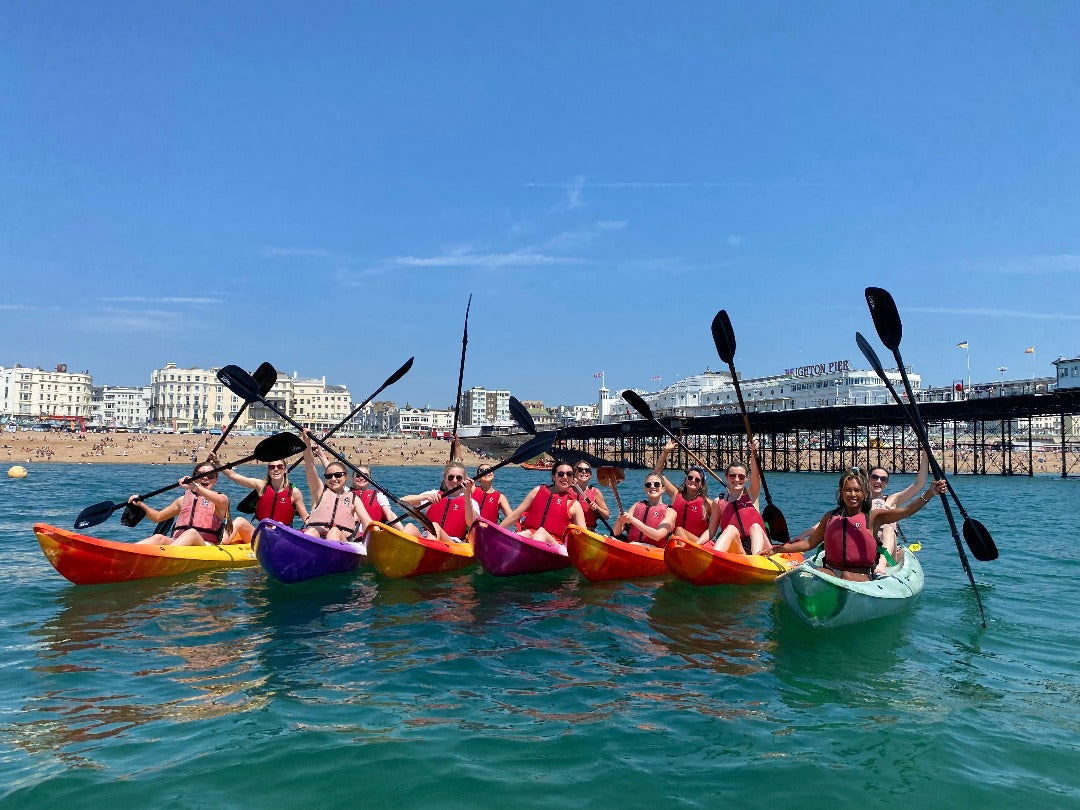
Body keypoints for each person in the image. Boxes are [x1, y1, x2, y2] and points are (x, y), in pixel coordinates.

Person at [769, 468, 946, 581]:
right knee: (807, 573)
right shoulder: (830, 516)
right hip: (832, 571)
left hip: (860, 576)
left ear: (864, 493)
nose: (852, 494)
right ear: (841, 492)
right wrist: (777, 549)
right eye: (848, 490)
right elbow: (809, 544)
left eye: (857, 490)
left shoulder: (873, 517)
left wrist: (929, 493)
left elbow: (906, 511)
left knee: (846, 575)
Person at [210, 452, 308, 542]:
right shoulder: (261, 486)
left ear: (285, 470)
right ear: (269, 471)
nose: (276, 469)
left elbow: (305, 517)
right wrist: (217, 462)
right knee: (240, 520)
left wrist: (319, 526)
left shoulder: (294, 492)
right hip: (260, 534)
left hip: (282, 535)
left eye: (279, 466)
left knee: (278, 526)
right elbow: (233, 476)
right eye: (272, 467)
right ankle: (221, 545)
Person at [130, 462, 233, 546]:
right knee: (158, 537)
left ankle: (166, 556)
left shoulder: (220, 499)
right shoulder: (182, 500)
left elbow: (223, 502)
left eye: (210, 476)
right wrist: (140, 505)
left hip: (205, 545)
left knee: (191, 533)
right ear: (194, 477)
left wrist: (194, 487)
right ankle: (129, 551)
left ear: (215, 480)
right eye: (200, 475)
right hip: (178, 542)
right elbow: (157, 517)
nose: (205, 478)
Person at [301, 429, 372, 542]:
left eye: (338, 475)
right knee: (311, 531)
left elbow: (368, 522)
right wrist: (306, 442)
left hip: (340, 542)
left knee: (333, 532)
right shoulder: (319, 490)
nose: (333, 479)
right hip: (317, 539)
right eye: (329, 476)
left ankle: (330, 557)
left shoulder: (354, 498)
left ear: (346, 477)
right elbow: (310, 466)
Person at [707, 439, 769, 555]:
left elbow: (756, 473)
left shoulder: (752, 495)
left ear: (746, 479)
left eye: (741, 477)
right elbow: (711, 532)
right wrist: (696, 544)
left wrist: (754, 451)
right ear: (726, 477)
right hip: (738, 549)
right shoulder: (718, 502)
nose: (736, 479)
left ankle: (755, 560)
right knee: (730, 529)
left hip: (760, 546)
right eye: (732, 476)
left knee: (755, 527)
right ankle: (713, 558)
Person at [501, 461, 587, 545]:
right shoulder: (537, 491)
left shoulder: (574, 505)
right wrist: (494, 532)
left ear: (572, 479)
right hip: (531, 536)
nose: (565, 477)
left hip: (555, 545)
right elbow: (515, 515)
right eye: (561, 474)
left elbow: (584, 536)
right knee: (525, 533)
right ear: (553, 477)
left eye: (569, 474)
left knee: (541, 533)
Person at [868, 451, 929, 565]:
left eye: (883, 479)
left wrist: (925, 457)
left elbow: (918, 485)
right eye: (875, 477)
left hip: (886, 554)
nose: (878, 481)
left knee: (888, 530)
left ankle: (882, 563)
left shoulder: (891, 501)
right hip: (865, 548)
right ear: (868, 479)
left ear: (886, 483)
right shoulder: (858, 501)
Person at [402, 461, 477, 544]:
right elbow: (402, 501)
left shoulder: (470, 501)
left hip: (452, 544)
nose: (454, 480)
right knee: (409, 527)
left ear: (464, 480)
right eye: (450, 477)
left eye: (459, 478)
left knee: (435, 526)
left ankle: (428, 551)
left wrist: (467, 495)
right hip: (427, 537)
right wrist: (425, 497)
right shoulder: (433, 495)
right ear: (445, 478)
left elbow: (471, 523)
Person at [652, 440, 711, 542]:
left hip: (697, 544)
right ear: (686, 479)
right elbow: (657, 474)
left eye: (697, 480)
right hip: (676, 542)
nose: (693, 481)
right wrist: (665, 452)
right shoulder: (675, 495)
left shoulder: (708, 503)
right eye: (690, 477)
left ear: (702, 484)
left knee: (679, 530)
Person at [612, 472, 677, 547]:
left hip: (653, 551)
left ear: (663, 489)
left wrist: (633, 520)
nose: (652, 487)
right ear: (645, 489)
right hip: (632, 546)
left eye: (656, 484)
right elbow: (616, 533)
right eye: (648, 484)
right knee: (612, 538)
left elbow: (658, 536)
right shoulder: (636, 506)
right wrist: (620, 521)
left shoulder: (670, 512)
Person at [567, 462, 611, 531]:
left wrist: (597, 508)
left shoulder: (595, 492)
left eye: (587, 470)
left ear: (590, 475)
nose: (584, 472)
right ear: (575, 473)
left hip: (587, 532)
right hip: (570, 531)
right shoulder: (566, 490)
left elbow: (606, 516)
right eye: (580, 469)